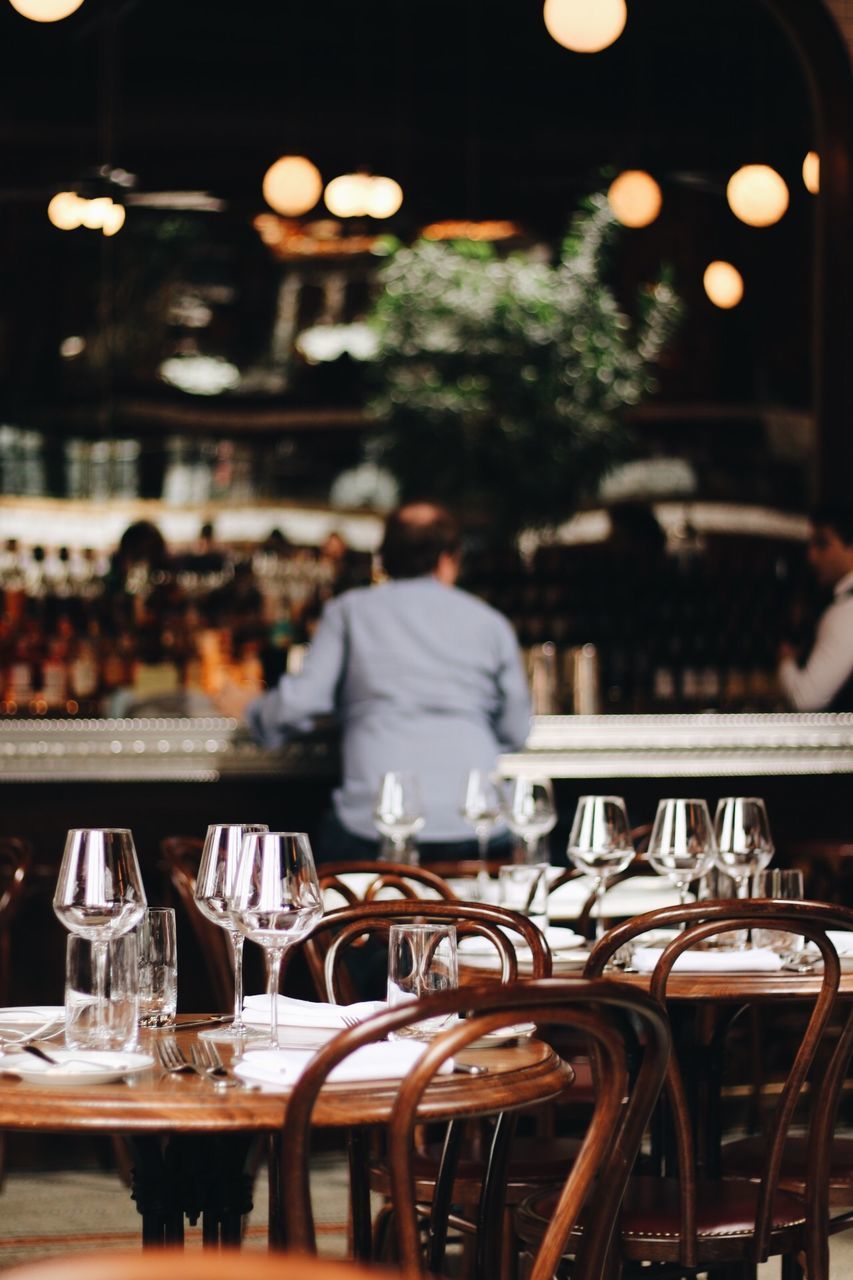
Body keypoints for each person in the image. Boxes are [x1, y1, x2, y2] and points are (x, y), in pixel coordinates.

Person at [217, 502, 531, 860]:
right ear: (449, 559)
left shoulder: (348, 611)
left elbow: (299, 704)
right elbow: (516, 730)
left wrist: (252, 708)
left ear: (383, 559)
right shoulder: (491, 623)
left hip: (374, 832)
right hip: (479, 830)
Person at [778, 505, 853, 711]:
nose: (811, 556)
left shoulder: (848, 610)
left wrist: (785, 660)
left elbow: (806, 700)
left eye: (822, 544)